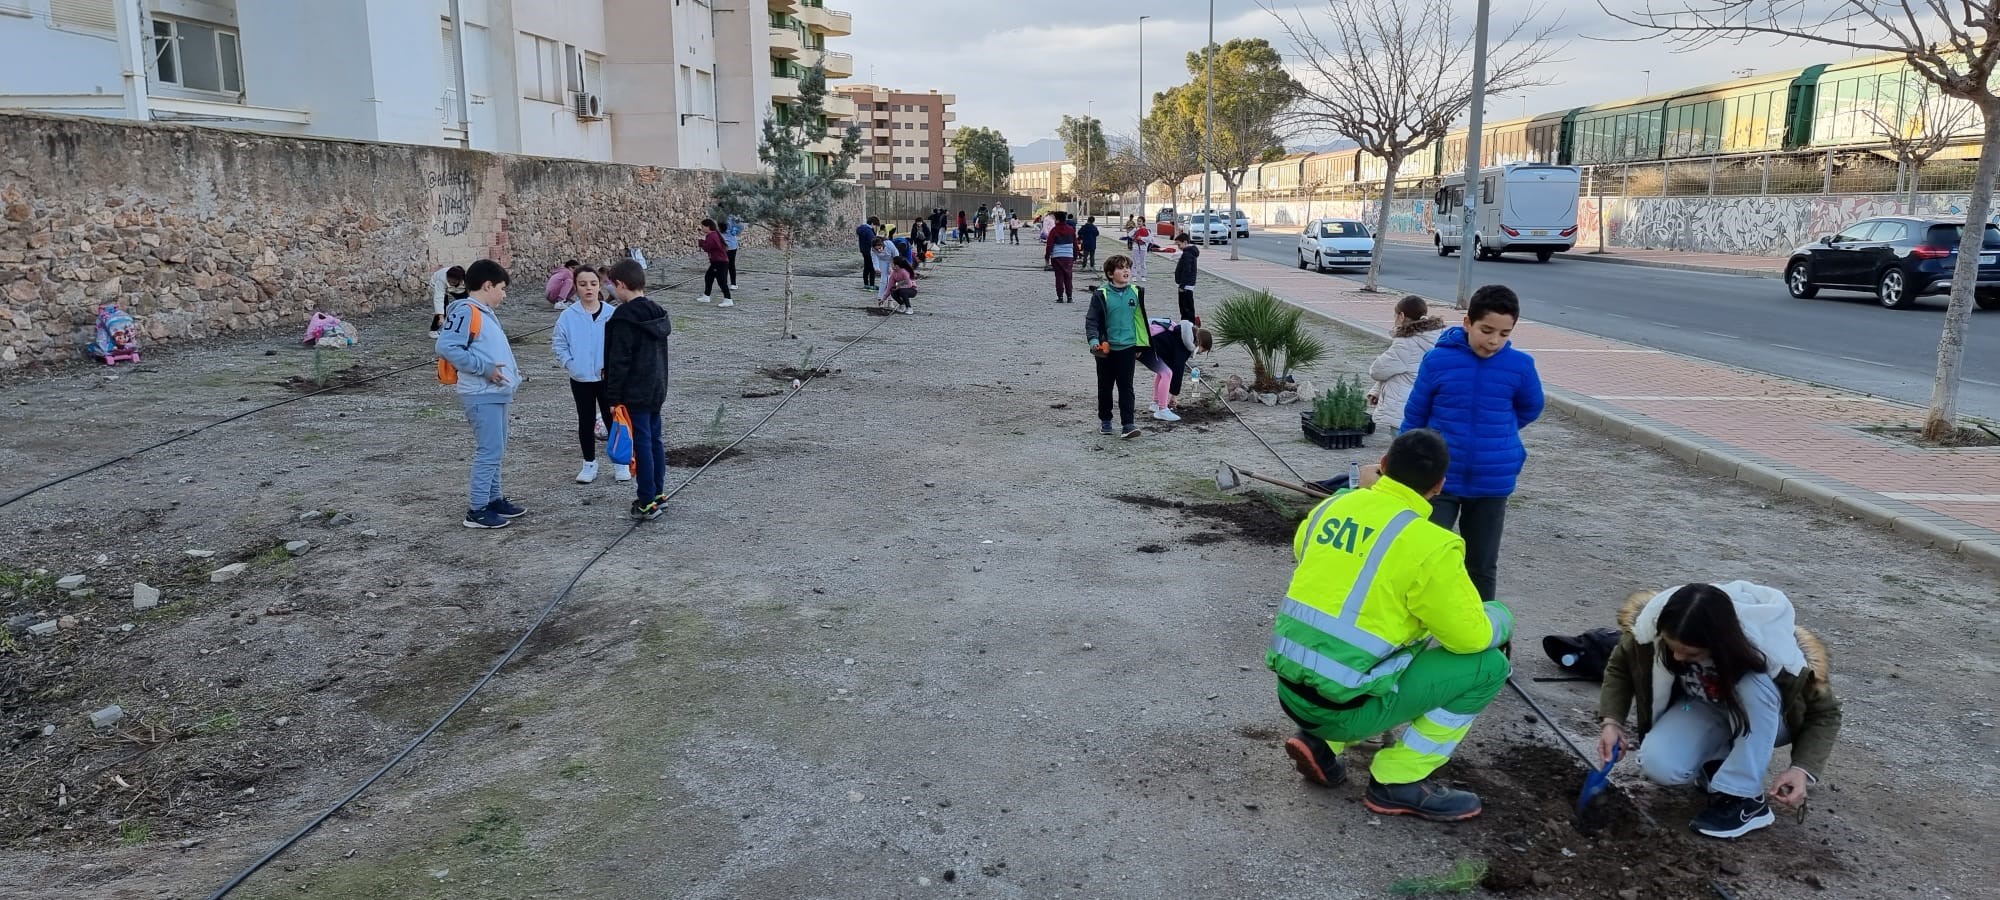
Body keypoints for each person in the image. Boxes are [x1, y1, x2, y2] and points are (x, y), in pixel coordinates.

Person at [1270, 429, 1514, 821]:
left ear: (1382, 465)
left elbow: (1306, 553)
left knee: (1369, 640)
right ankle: (1398, 780)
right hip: (1346, 708)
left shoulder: (1333, 506)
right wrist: (1500, 617)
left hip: (1291, 692)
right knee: (1489, 667)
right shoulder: (1432, 545)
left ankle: (1322, 743)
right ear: (1439, 486)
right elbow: (1469, 639)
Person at [1598, 582, 1841, 840]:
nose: (1677, 658)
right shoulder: (1656, 626)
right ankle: (1717, 763)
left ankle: (1746, 799)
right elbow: (1620, 667)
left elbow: (1826, 714)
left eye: (1691, 653)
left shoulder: (1779, 657)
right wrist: (1612, 722)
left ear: (1720, 644)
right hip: (1703, 706)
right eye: (1672, 647)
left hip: (1766, 718)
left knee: (1754, 684)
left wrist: (1801, 769)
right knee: (1658, 765)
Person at [1399, 285, 1544, 602]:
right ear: (1467, 323)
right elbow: (1415, 415)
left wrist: (1500, 433)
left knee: (1481, 565)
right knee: (1426, 558)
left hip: (1492, 482)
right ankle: (1418, 624)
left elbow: (1531, 408)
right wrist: (1403, 467)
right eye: (1486, 330)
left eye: (1504, 334)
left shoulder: (1520, 366)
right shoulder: (1437, 361)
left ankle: (1481, 628)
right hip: (1438, 480)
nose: (1494, 341)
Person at [436, 259, 525, 529]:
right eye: (502, 288)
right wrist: (485, 369)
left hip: (494, 392)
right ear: (487, 286)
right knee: (490, 450)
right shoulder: (467, 311)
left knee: (497, 448)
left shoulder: (483, 312)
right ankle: (477, 509)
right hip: (481, 393)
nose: (504, 294)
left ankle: (494, 499)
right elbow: (447, 347)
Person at [601, 259, 672, 521]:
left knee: (641, 444)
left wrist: (613, 397)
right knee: (654, 440)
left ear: (620, 284)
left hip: (635, 391)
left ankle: (646, 500)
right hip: (656, 388)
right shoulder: (657, 312)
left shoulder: (624, 318)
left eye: (612, 285)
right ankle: (657, 493)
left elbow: (619, 361)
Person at [552, 266, 629, 485]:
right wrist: (570, 364)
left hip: (607, 379)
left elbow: (621, 345)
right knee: (585, 420)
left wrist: (612, 368)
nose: (588, 288)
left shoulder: (611, 314)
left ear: (600, 285)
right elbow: (559, 343)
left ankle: (620, 462)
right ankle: (589, 463)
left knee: (612, 418)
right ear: (576, 287)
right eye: (583, 284)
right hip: (581, 378)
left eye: (593, 284)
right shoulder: (568, 316)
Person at [1084, 254, 1150, 438]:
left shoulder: (1136, 292)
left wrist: (1140, 345)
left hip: (1128, 348)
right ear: (1110, 274)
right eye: (1121, 268)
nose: (1126, 271)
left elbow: (1139, 321)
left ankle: (1128, 424)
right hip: (1106, 350)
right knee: (1105, 387)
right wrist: (1094, 341)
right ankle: (1106, 420)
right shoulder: (1101, 294)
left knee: (1126, 387)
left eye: (1128, 267)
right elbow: (1092, 320)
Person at [1368, 295, 1446, 437]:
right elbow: (1398, 369)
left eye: (1395, 315)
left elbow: (1378, 370)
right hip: (1426, 406)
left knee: (1404, 448)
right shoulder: (1437, 337)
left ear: (1402, 316)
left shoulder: (1406, 343)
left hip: (1404, 410)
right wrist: (1377, 390)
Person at [1138, 316, 1210, 422]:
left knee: (1162, 372)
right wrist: (1174, 395)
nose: (1200, 353)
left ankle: (1156, 403)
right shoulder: (1186, 345)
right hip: (1143, 346)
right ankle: (1162, 410)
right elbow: (1178, 369)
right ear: (1200, 343)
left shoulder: (1183, 333)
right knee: (1166, 374)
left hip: (1145, 343)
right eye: (1202, 350)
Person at [697, 218, 734, 307]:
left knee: (721, 281)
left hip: (719, 261)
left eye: (703, 227)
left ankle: (728, 299)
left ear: (708, 227)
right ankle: (706, 296)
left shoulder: (712, 235)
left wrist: (701, 243)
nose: (702, 229)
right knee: (708, 277)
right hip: (717, 261)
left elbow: (709, 247)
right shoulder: (714, 234)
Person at [1046, 214, 1079, 303]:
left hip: (1057, 256)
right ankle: (1069, 297)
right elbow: (1075, 244)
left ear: (1057, 220)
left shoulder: (1054, 230)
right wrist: (1075, 255)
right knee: (1068, 277)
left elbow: (1049, 244)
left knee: (1059, 277)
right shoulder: (1071, 230)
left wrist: (1047, 256)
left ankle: (1060, 297)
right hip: (1069, 256)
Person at [429, 264, 466, 338]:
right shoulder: (441, 279)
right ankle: (433, 330)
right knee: (444, 308)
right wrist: (441, 316)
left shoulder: (467, 280)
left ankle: (465, 325)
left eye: (453, 282)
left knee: (467, 303)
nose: (450, 283)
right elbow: (439, 298)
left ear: (460, 280)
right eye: (449, 281)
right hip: (437, 286)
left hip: (459, 288)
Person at [1171, 231, 1201, 322]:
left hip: (1186, 285)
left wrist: (1182, 285)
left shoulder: (1188, 254)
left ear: (1185, 242)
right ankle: (1187, 323)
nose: (1178, 247)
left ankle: (1188, 324)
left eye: (1179, 244)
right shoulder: (1187, 253)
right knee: (1186, 307)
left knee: (1186, 308)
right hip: (1186, 284)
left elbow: (1187, 271)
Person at [871, 237, 897, 309]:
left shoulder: (889, 244)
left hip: (892, 260)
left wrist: (892, 266)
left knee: (891, 281)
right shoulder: (873, 250)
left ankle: (890, 300)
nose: (879, 250)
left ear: (882, 245)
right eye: (877, 249)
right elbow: (875, 259)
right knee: (884, 280)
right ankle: (880, 299)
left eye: (880, 248)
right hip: (882, 261)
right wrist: (877, 268)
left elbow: (896, 255)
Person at [722, 214, 745, 290]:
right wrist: (736, 231)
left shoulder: (717, 216)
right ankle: (733, 284)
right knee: (731, 264)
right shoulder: (732, 216)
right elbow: (741, 226)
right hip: (731, 244)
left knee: (723, 265)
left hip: (721, 243)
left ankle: (723, 284)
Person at [857, 217, 879, 291]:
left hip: (864, 250)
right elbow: (873, 241)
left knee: (866, 267)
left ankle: (866, 284)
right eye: (875, 225)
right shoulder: (868, 231)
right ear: (872, 223)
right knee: (872, 268)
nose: (875, 227)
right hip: (869, 251)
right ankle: (872, 284)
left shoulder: (862, 228)